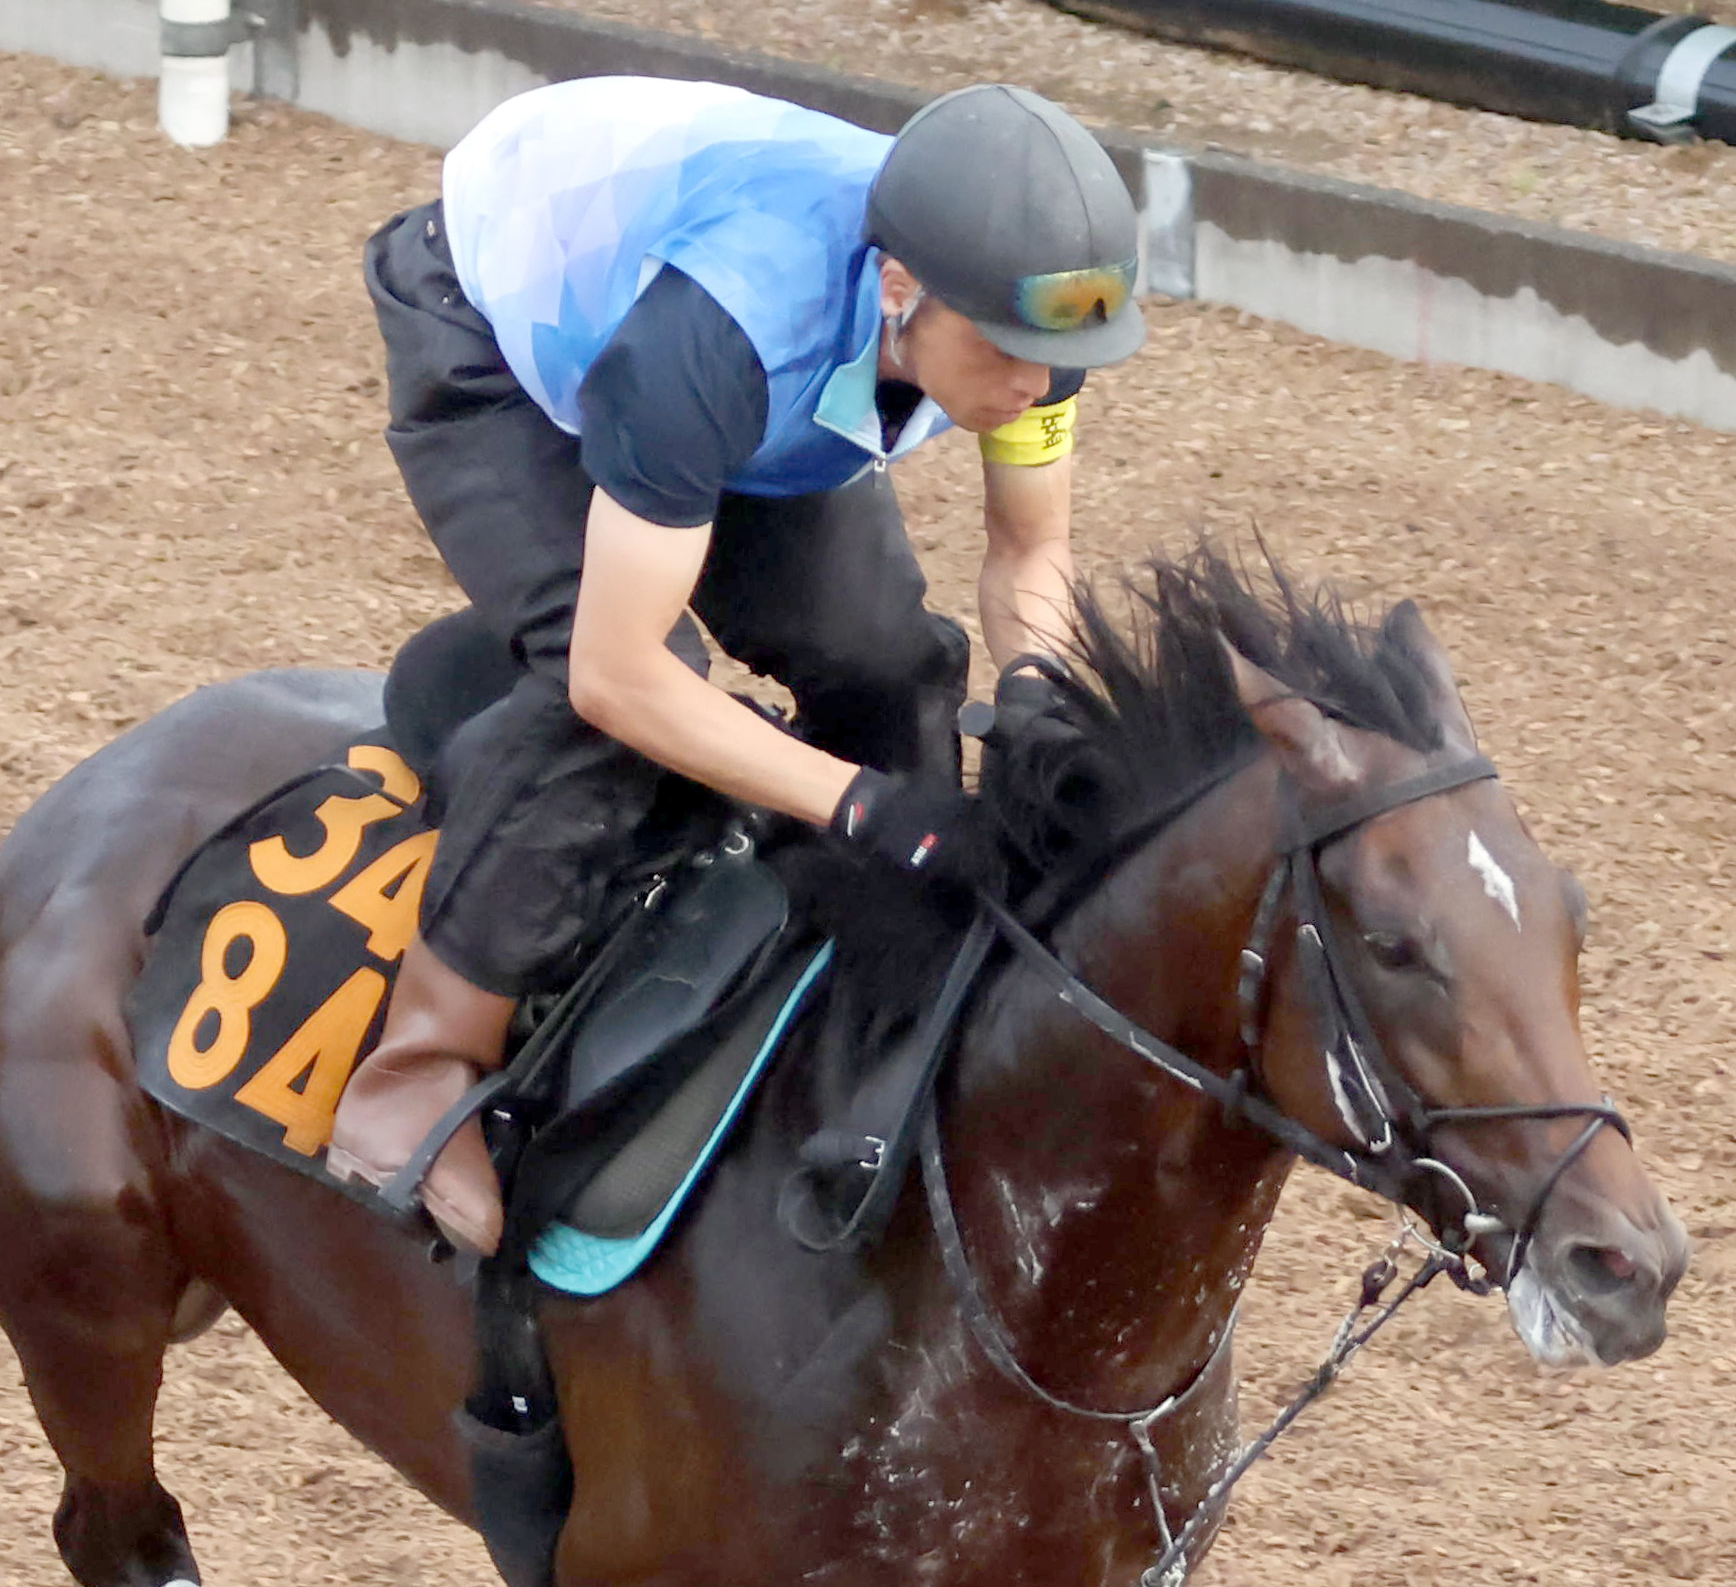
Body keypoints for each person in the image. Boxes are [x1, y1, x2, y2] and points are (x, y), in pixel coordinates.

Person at [325, 76, 1149, 1254]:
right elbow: (618, 678)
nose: (1032, 386)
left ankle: (884, 1004)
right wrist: (863, 804)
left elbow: (1032, 548)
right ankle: (416, 1068)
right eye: (1009, 353)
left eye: (1061, 361)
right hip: (508, 337)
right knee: (625, 681)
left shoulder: (1027, 330)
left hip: (757, 393)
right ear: (903, 287)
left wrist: (1035, 699)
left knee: (892, 660)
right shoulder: (728, 324)